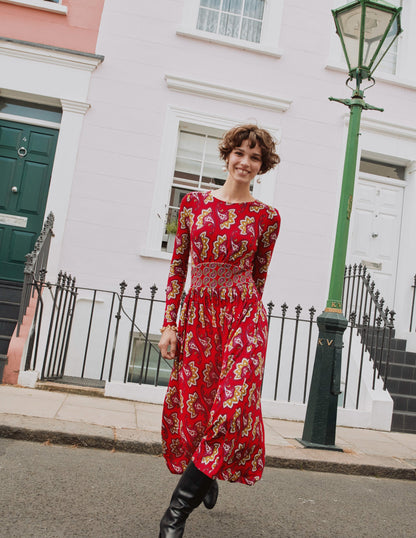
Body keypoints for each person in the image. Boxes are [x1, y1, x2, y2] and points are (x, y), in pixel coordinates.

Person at [158, 123, 281, 538]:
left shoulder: (267, 217)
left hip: (244, 318)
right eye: (241, 153)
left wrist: (242, 311)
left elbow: (259, 276)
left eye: (255, 157)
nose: (246, 162)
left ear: (262, 166)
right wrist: (169, 324)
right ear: (228, 155)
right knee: (199, 410)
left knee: (229, 410)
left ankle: (174, 515)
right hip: (197, 320)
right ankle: (205, 475)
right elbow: (178, 270)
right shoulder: (193, 205)